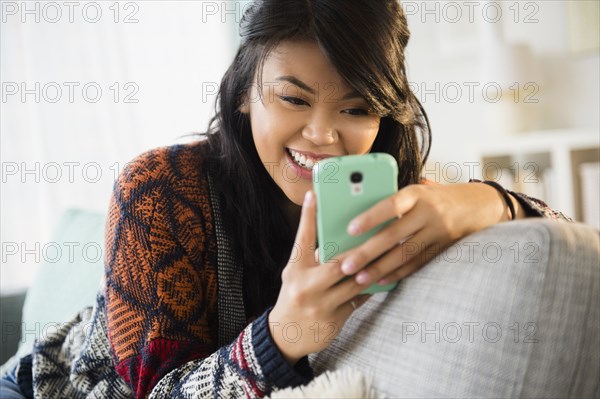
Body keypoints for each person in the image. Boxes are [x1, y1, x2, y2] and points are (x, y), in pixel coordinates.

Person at [0, 1, 570, 398]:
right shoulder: (158, 189)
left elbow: (572, 254)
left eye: (355, 109)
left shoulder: (395, 195)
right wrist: (280, 338)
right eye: (293, 99)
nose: (323, 135)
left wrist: (484, 202)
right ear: (246, 93)